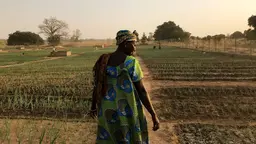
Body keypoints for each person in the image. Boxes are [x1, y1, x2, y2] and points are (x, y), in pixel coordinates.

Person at [91, 30, 160, 144]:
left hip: (107, 109)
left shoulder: (104, 61)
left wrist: (93, 106)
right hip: (127, 109)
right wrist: (153, 114)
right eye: (133, 44)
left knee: (110, 138)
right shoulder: (131, 62)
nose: (135, 48)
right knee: (127, 138)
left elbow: (97, 85)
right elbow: (142, 91)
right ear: (125, 43)